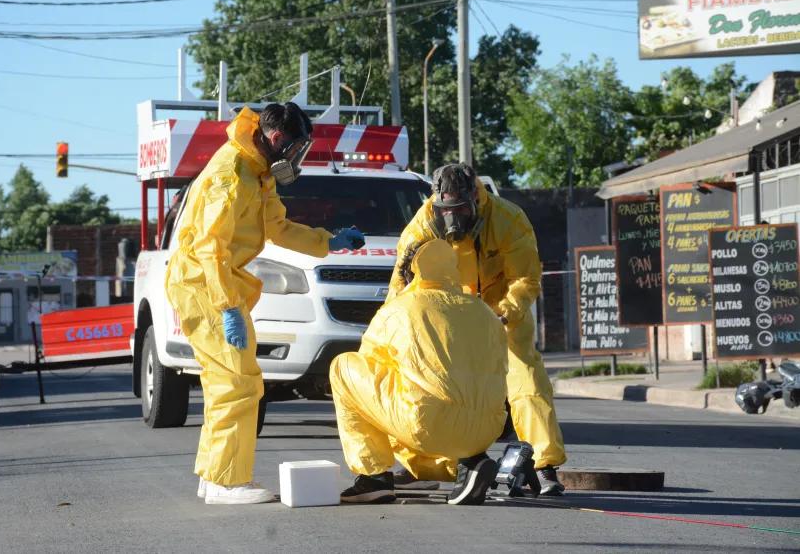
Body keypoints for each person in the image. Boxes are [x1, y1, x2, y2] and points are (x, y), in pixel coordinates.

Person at [165, 102, 364, 505]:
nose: (296, 158)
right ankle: (225, 482)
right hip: (204, 284)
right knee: (236, 383)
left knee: (237, 382)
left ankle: (214, 476)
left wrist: (329, 241)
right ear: (276, 139)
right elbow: (210, 247)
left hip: (217, 284)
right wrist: (227, 307)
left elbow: (278, 228)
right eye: (295, 148)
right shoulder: (230, 174)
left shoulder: (257, 173)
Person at [386, 163, 567, 496]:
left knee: (526, 379)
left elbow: (525, 279)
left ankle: (543, 466)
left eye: (460, 210)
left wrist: (506, 313)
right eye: (445, 210)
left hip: (503, 311)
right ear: (434, 203)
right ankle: (419, 463)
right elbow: (402, 286)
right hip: (451, 317)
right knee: (428, 382)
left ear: (475, 199)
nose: (452, 218)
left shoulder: (508, 219)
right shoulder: (422, 227)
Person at [330, 239, 509, 505]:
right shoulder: (483, 311)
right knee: (439, 392)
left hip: (428, 425)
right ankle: (469, 464)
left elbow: (368, 366)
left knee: (344, 368)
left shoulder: (400, 309)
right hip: (487, 430)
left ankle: (373, 477)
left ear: (408, 272)